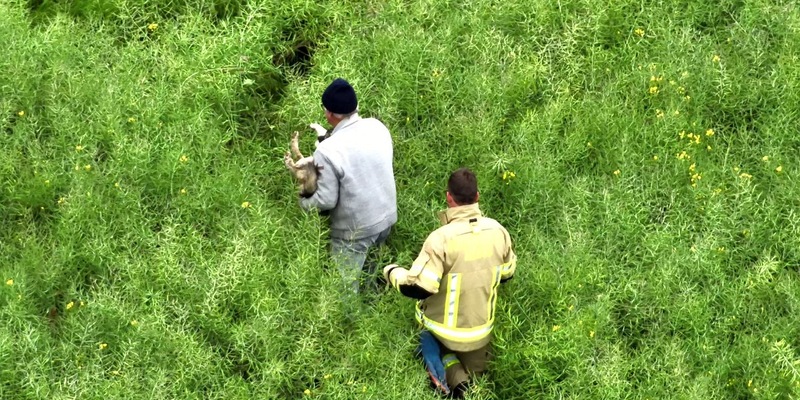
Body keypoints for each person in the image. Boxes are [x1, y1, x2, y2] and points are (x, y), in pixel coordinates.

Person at [382, 168, 516, 398]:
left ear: (448, 197)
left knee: (426, 338)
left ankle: (447, 374)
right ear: (477, 196)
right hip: (483, 332)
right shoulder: (498, 232)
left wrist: (392, 272)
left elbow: (418, 288)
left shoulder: (441, 239)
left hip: (443, 331)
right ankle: (464, 386)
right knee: (478, 380)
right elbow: (507, 274)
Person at [299, 78, 397, 296]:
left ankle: (350, 326)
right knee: (370, 277)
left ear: (330, 114)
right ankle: (372, 318)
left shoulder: (327, 151)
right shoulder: (377, 126)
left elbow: (325, 200)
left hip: (355, 230)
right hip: (385, 218)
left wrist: (303, 199)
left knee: (344, 288)